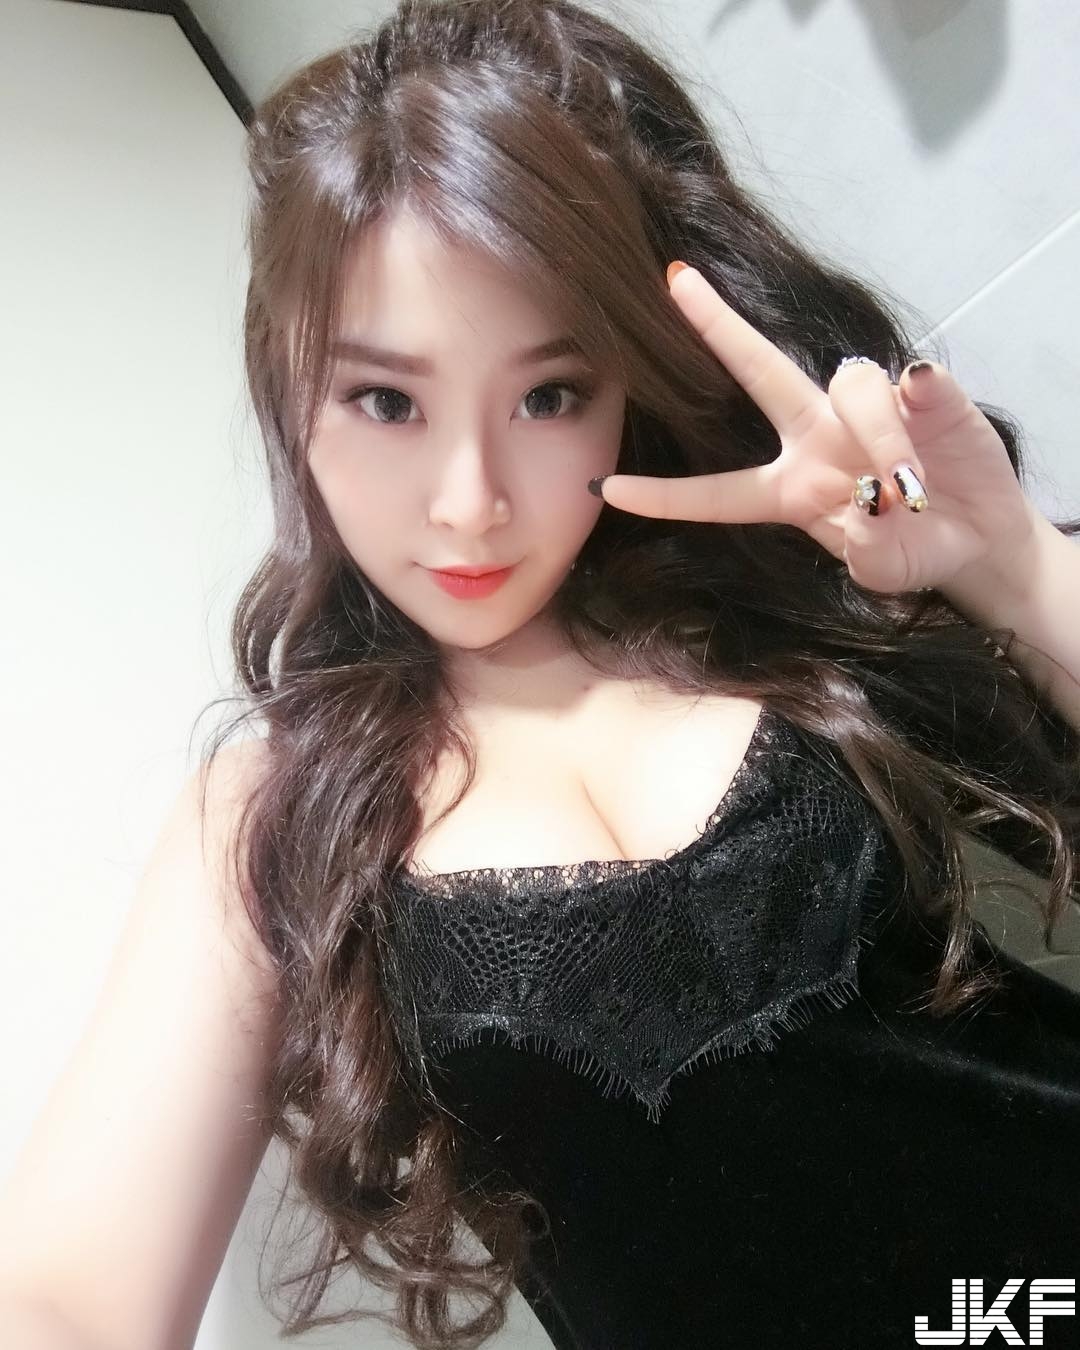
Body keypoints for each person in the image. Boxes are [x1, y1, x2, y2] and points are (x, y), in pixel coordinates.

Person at [2, 1, 1079, 1348]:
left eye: (549, 395)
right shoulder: (278, 815)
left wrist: (1017, 572)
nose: (470, 502)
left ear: (626, 379)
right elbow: (63, 1302)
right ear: (291, 399)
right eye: (386, 401)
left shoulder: (773, 585)